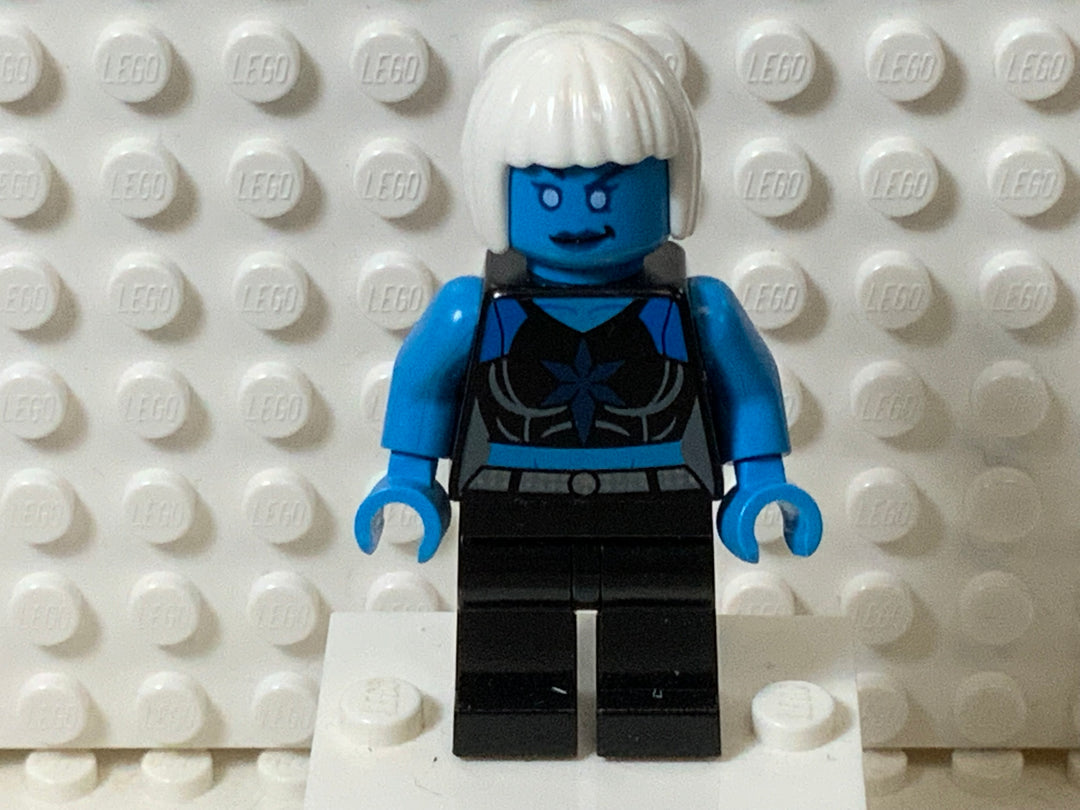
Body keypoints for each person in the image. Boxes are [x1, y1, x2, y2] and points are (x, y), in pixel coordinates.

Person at [355, 20, 822, 759]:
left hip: (660, 497)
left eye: (608, 193)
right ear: (497, 189)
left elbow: (748, 390)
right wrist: (409, 479)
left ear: (669, 184)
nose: (578, 218)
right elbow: (425, 387)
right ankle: (512, 713)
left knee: (661, 634)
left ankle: (660, 711)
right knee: (509, 636)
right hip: (510, 498)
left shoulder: (699, 308)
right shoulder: (471, 309)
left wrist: (761, 482)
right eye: (547, 193)